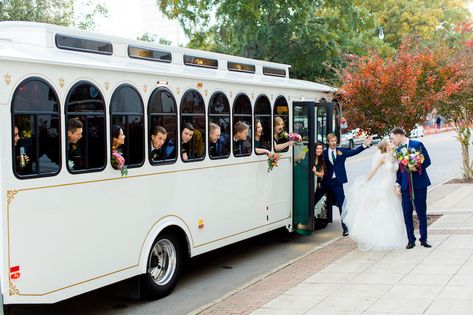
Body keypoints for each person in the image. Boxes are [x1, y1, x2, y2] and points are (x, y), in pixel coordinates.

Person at [342, 140, 408, 250]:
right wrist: (365, 181)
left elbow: (399, 172)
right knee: (384, 207)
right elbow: (373, 171)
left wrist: (397, 185)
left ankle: (394, 235)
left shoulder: (395, 156)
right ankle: (381, 238)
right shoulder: (383, 157)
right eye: (390, 143)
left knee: (394, 208)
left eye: (392, 143)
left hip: (393, 185)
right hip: (385, 185)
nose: (392, 144)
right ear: (386, 147)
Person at [321, 133, 373, 236]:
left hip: (337, 182)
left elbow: (354, 152)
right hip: (326, 182)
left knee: (342, 204)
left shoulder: (341, 151)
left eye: (335, 141)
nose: (334, 143)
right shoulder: (324, 153)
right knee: (316, 199)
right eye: (331, 141)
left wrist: (364, 145)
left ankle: (345, 228)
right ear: (328, 142)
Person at [390, 127, 432, 249]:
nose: (392, 141)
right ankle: (410, 239)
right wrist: (397, 184)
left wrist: (416, 166)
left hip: (419, 184)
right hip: (405, 186)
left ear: (399, 135)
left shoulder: (417, 144)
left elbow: (428, 161)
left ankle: (424, 238)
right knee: (406, 213)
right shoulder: (398, 150)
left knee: (421, 212)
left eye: (393, 138)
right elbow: (399, 171)